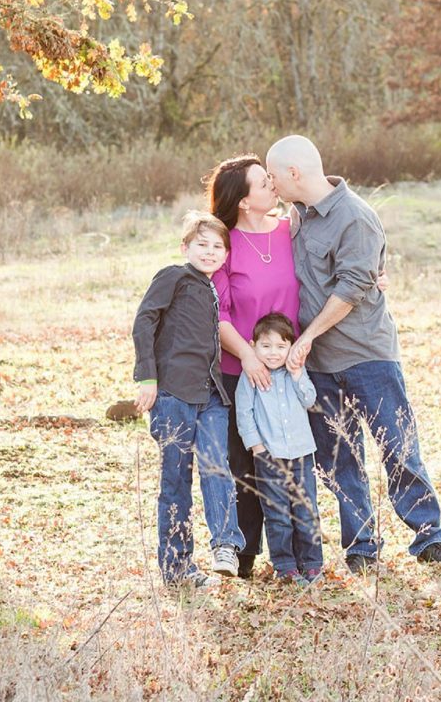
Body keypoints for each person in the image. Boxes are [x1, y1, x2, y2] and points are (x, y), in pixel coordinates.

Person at [265, 134, 441, 573]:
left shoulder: (355, 218)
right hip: (316, 365)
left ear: (294, 173)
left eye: (275, 175)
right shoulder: (294, 221)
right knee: (337, 458)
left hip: (366, 355)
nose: (272, 184)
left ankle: (430, 536)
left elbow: (351, 288)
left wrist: (307, 336)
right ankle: (362, 548)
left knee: (398, 446)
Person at [132, 210, 246, 589]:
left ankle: (226, 545)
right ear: (185, 247)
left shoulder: (213, 289)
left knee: (218, 467)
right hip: (174, 394)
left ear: (226, 255)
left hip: (211, 394)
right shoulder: (174, 276)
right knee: (176, 481)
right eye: (202, 245)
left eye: (218, 247)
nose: (210, 252)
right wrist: (147, 376)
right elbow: (144, 320)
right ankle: (177, 566)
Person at [207, 154, 299, 579]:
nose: (273, 185)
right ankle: (243, 555)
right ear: (244, 201)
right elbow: (218, 312)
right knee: (243, 461)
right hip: (238, 369)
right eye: (264, 182)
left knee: (289, 458)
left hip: (289, 369)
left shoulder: (291, 229)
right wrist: (246, 355)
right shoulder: (223, 244)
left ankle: (296, 554)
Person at [234, 312, 323, 585]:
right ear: (253, 346)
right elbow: (244, 413)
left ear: (291, 347)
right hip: (269, 455)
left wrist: (297, 374)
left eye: (281, 347)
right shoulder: (250, 377)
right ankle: (285, 565)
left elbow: (310, 400)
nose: (273, 353)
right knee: (278, 513)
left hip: (301, 453)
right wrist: (257, 447)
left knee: (306, 509)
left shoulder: (295, 373)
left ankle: (311, 563)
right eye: (266, 346)